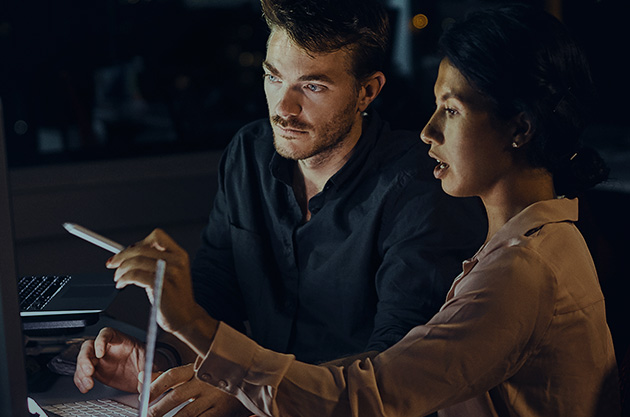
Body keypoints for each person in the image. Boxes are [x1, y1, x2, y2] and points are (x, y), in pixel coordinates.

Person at [106, 5, 622, 417]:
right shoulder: (519, 246)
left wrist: (206, 345)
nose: (428, 133)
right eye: (272, 77)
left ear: (521, 129)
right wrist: (166, 357)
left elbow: (371, 396)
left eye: (450, 110)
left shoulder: (520, 267)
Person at [75, 0, 486, 415]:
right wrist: (161, 359)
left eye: (312, 86)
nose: (284, 109)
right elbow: (218, 289)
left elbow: (390, 370)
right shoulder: (248, 154)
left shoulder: (420, 188)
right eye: (273, 78)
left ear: (368, 91)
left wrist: (246, 389)